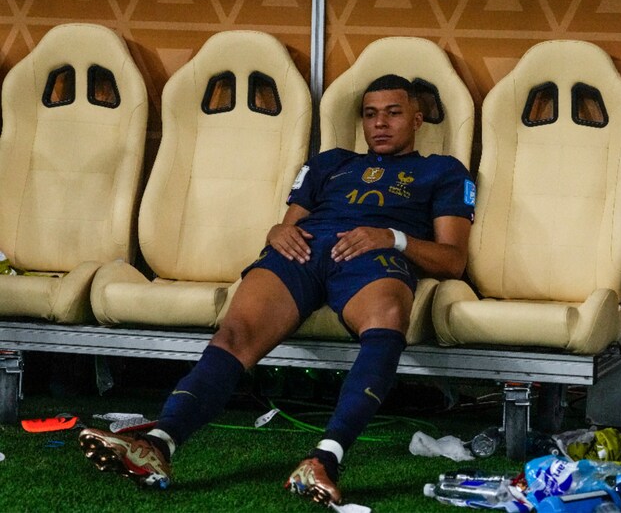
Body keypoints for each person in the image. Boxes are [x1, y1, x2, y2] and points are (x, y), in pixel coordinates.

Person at [78, 74, 475, 505]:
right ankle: (158, 443)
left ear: (417, 119)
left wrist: (392, 238)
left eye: (393, 113)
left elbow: (453, 259)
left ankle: (325, 458)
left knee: (387, 320)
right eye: (370, 114)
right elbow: (288, 224)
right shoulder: (330, 163)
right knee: (235, 334)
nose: (379, 123)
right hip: (303, 250)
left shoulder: (443, 170)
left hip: (373, 255)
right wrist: (275, 232)